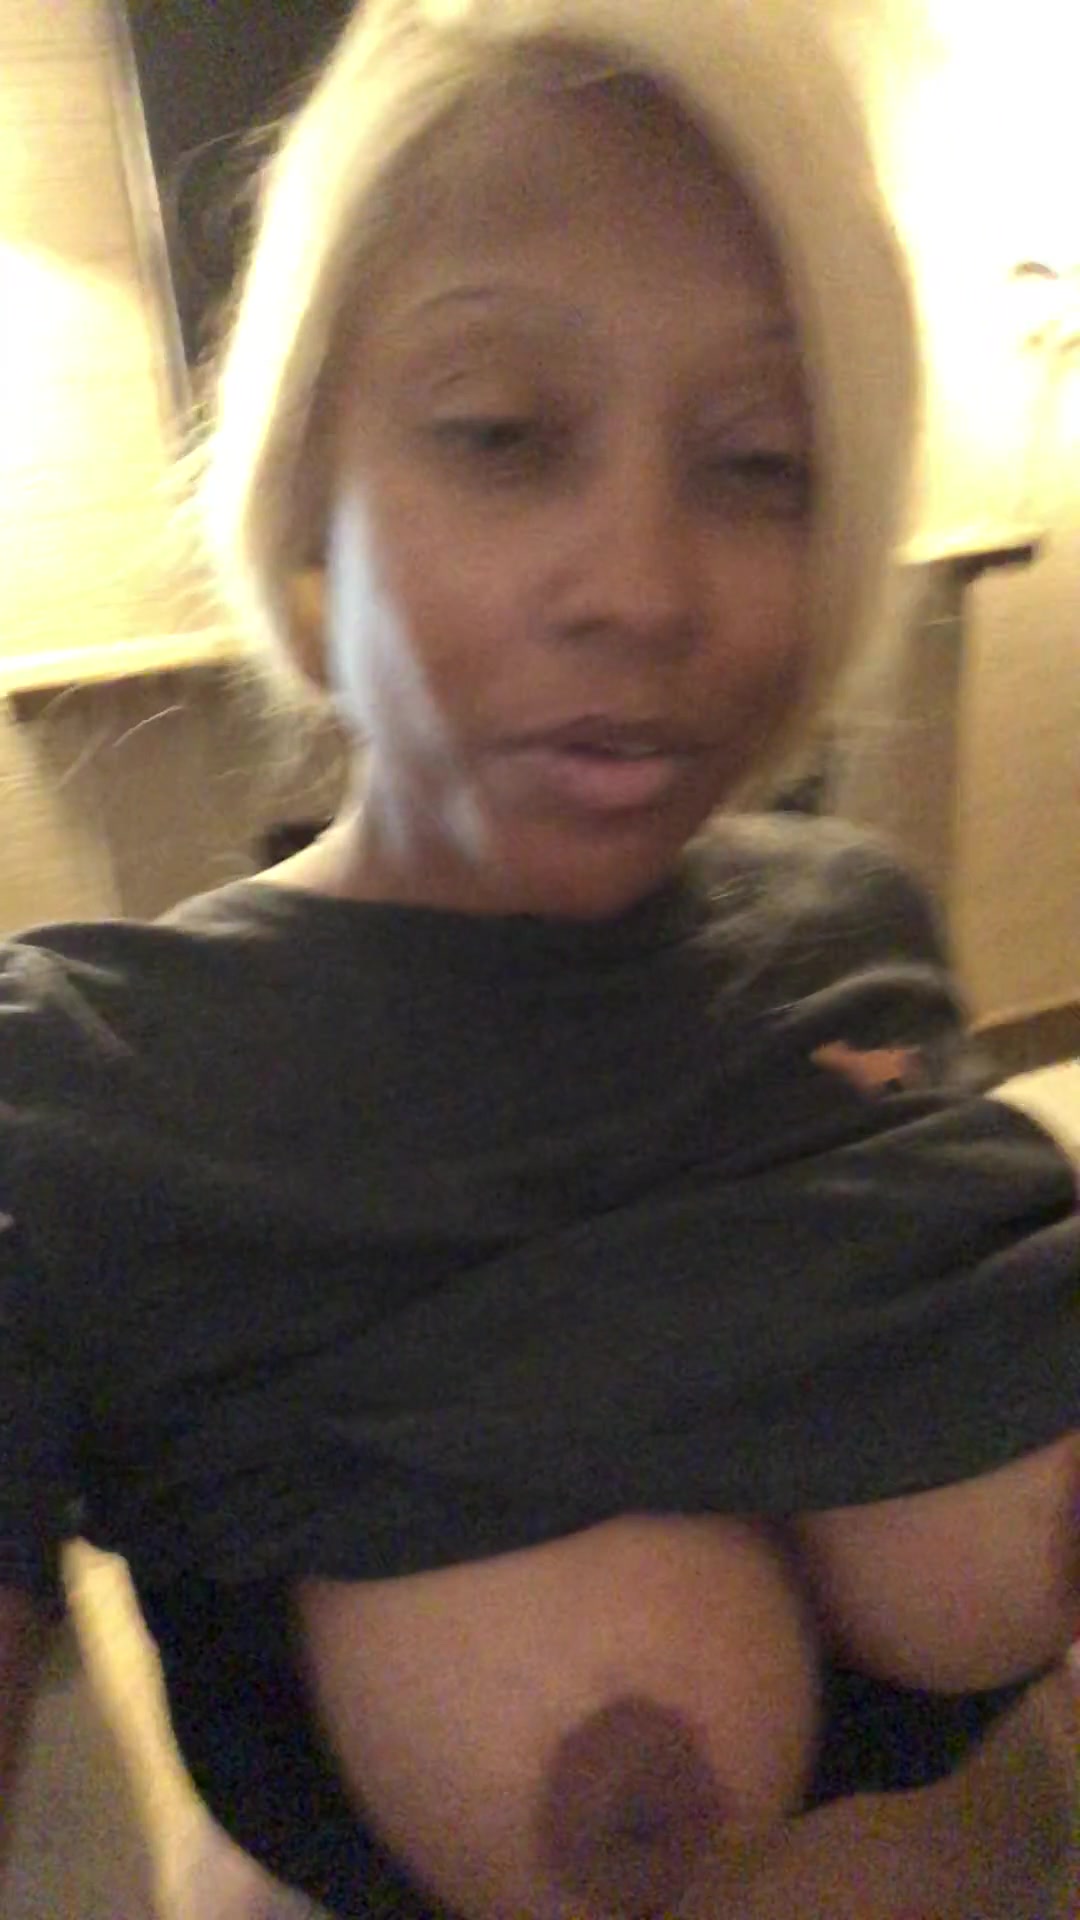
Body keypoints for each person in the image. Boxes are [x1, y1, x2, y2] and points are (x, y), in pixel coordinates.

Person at [1, 1, 1077, 1915]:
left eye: (760, 461)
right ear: (307, 490)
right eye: (502, 434)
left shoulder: (856, 925)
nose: (647, 588)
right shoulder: (73, 1102)